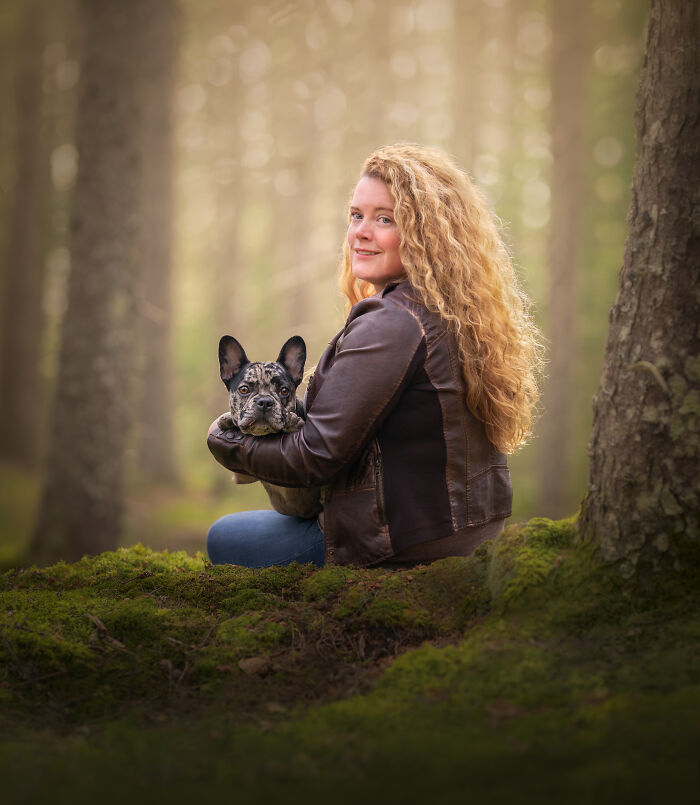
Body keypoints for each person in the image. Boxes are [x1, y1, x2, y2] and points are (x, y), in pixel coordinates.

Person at [206, 143, 542, 568]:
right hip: (461, 529)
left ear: (426, 233)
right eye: (356, 215)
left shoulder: (393, 323)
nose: (361, 232)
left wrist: (226, 441)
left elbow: (313, 457)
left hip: (398, 545)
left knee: (224, 536)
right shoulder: (452, 311)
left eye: (385, 219)